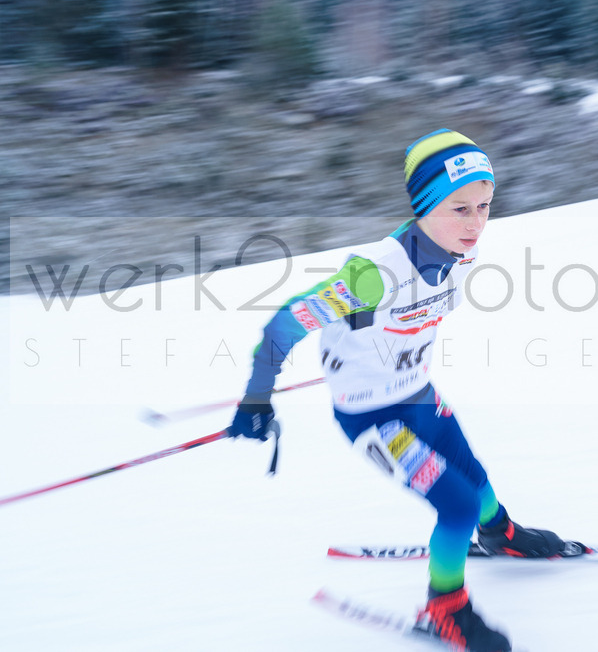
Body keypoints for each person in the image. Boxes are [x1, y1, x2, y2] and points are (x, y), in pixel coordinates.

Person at [228, 129, 564, 652]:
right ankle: (444, 610)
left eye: (484, 206)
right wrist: (256, 397)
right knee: (454, 506)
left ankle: (500, 534)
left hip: (419, 396)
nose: (476, 224)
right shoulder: (373, 277)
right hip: (372, 418)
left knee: (475, 481)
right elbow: (282, 327)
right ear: (425, 204)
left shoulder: (458, 251)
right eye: (460, 208)